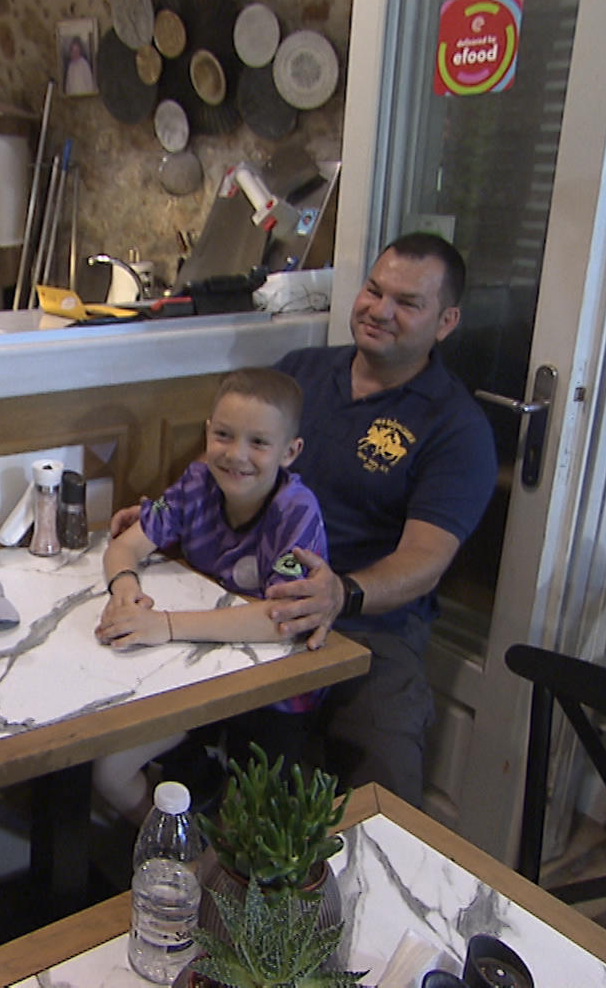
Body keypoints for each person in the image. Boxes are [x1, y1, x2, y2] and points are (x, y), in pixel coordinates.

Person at [257, 232, 496, 805]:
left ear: (446, 321)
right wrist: (164, 515)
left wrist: (343, 593)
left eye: (408, 303)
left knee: (385, 786)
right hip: (257, 594)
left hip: (371, 624)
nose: (379, 311)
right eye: (373, 290)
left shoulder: (457, 428)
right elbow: (230, 464)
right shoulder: (300, 372)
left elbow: (422, 562)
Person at [90, 368, 328, 821]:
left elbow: (281, 618)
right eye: (224, 435)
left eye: (258, 442)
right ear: (208, 433)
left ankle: (207, 869)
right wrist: (124, 590)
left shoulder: (297, 512)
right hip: (197, 679)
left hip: (274, 696)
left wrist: (164, 626)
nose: (236, 455)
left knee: (245, 820)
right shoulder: (196, 483)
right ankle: (175, 849)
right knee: (109, 771)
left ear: (290, 452)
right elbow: (126, 544)